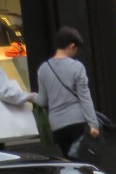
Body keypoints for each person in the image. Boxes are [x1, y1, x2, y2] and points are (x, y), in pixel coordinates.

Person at [37, 26, 101, 159]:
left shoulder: (43, 69)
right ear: (71, 46)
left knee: (68, 160)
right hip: (77, 122)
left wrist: (30, 97)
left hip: (57, 125)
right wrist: (93, 124)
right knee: (84, 162)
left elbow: (42, 100)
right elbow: (85, 98)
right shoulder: (77, 67)